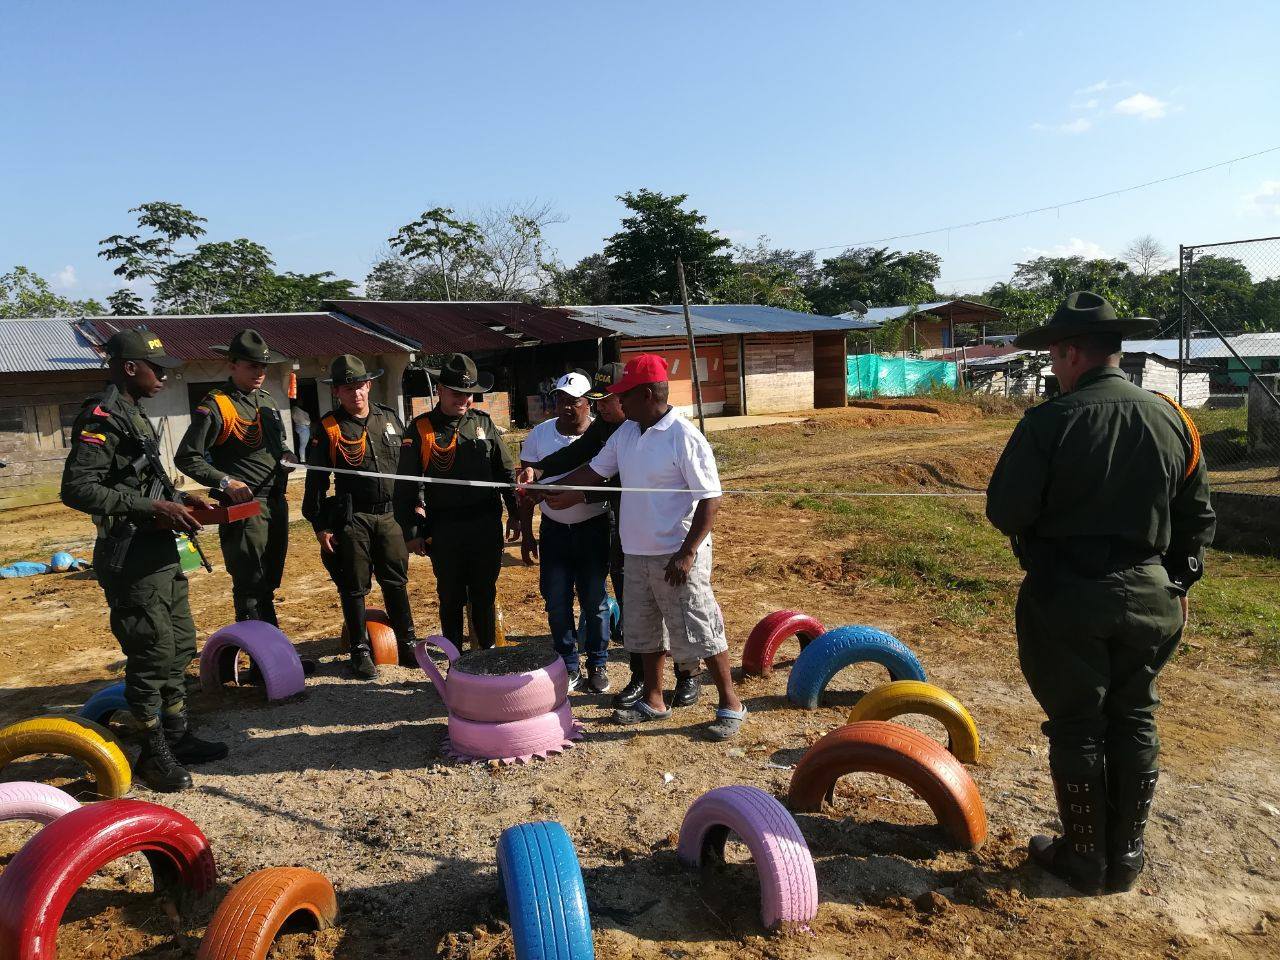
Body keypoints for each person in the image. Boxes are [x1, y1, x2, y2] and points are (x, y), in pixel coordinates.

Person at [986, 291, 1216, 895]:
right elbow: (1196, 516)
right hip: (1152, 592)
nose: (1052, 366)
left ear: (1070, 352)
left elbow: (1006, 511)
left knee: (1077, 723)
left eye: (1053, 355)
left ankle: (1085, 858)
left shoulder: (1048, 422)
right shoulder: (1174, 418)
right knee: (1134, 715)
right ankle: (1127, 857)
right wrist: (1179, 581)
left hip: (1068, 596)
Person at [544, 354, 746, 740]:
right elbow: (595, 470)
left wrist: (687, 552)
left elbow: (710, 498)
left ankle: (730, 703)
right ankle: (654, 699)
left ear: (649, 394)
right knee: (644, 631)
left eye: (626, 395)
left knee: (701, 627)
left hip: (676, 553)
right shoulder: (626, 433)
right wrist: (551, 486)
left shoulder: (683, 436)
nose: (619, 401)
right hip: (636, 552)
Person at [61, 328, 226, 792]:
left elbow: (141, 482)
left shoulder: (133, 413)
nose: (164, 376)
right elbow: (77, 488)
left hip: (159, 552)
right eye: (157, 368)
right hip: (129, 555)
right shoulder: (102, 416)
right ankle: (152, 754)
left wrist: (179, 499)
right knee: (151, 651)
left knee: (179, 644)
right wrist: (154, 507)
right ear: (131, 367)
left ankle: (176, 734)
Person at [518, 362, 702, 709]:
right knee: (635, 607)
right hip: (627, 530)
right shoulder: (611, 427)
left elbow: (618, 482)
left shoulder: (663, 431)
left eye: (607, 400)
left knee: (676, 606)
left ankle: (687, 672)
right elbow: (580, 457)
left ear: (629, 397)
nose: (600, 407)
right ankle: (640, 676)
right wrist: (540, 473)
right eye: (598, 400)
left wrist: (577, 495)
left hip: (668, 535)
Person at [302, 355, 419, 680]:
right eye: (347, 388)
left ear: (369, 385)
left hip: (391, 516)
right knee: (354, 586)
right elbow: (316, 482)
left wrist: (417, 503)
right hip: (354, 519)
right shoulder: (329, 427)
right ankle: (360, 650)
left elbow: (408, 468)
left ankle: (408, 642)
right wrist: (320, 525)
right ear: (337, 391)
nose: (356, 393)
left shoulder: (390, 418)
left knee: (396, 581)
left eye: (360, 386)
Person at [394, 353, 520, 650]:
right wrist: (412, 532)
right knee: (450, 596)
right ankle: (454, 658)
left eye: (468, 393)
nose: (463, 399)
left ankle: (485, 657)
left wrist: (515, 513)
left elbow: (504, 472)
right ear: (440, 390)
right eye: (456, 393)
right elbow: (405, 487)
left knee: (484, 593)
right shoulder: (421, 428)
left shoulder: (483, 423)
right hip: (445, 527)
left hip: (485, 524)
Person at [174, 329, 293, 626]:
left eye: (263, 366)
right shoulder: (217, 405)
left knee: (269, 579)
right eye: (252, 366)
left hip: (276, 502)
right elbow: (187, 457)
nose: (259, 373)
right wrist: (225, 481)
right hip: (245, 507)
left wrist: (287, 457)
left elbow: (278, 444)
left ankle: (270, 645)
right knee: (250, 582)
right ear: (232, 365)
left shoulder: (267, 401)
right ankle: (256, 649)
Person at [519, 372, 612, 693]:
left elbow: (607, 478)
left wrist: (574, 495)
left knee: (595, 601)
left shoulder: (603, 433)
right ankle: (569, 664)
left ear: (589, 403)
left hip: (593, 529)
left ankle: (598, 663)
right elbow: (528, 486)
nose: (566, 407)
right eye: (560, 399)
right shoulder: (540, 434)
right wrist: (527, 532)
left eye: (573, 401)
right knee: (556, 600)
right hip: (554, 531)